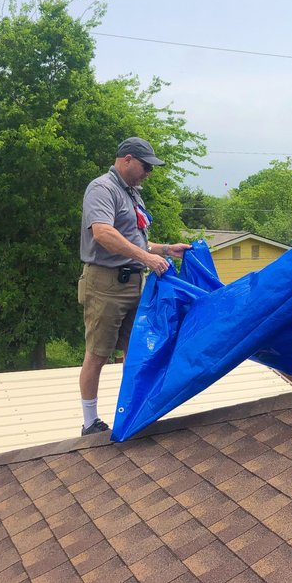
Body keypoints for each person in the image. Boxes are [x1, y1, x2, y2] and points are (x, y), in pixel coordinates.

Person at [77, 137, 191, 436]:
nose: (148, 174)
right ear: (127, 159)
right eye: (145, 167)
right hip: (105, 283)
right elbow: (103, 234)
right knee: (98, 353)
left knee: (136, 350)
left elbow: (137, 241)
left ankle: (132, 411)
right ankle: (90, 423)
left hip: (134, 283)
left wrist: (165, 249)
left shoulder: (133, 194)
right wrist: (146, 258)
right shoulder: (102, 188)